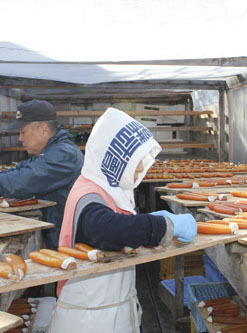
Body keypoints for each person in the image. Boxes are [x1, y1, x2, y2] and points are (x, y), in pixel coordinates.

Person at [48, 108, 197, 333]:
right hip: (87, 320)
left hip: (110, 313)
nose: (140, 167)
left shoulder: (106, 187)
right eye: (135, 159)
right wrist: (166, 226)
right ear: (113, 157)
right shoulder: (89, 193)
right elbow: (108, 230)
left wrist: (149, 221)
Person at [0, 99, 84, 249]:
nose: (20, 138)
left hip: (71, 239)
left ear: (43, 128)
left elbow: (26, 179)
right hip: (59, 231)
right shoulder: (47, 152)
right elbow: (20, 170)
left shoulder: (63, 154)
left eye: (23, 132)